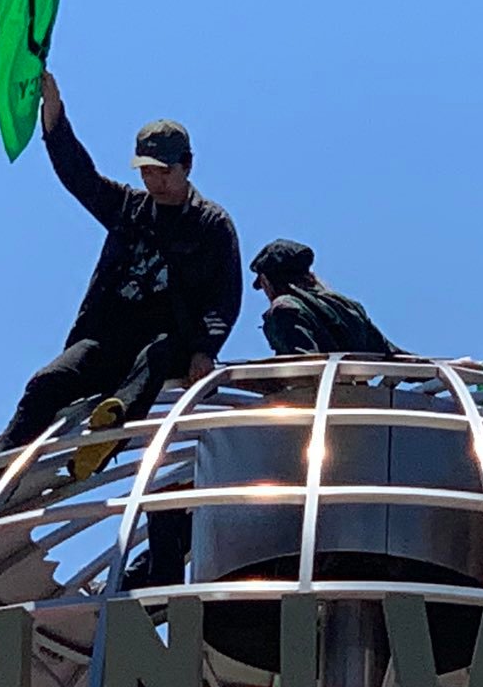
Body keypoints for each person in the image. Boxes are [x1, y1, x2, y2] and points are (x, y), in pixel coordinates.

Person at [0, 72, 242, 503]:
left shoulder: (211, 224)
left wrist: (204, 348)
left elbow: (225, 295)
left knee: (155, 356)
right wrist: (54, 115)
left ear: (187, 165)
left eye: (163, 172)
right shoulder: (129, 208)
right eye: (146, 172)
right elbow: (80, 177)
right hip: (108, 337)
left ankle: (106, 438)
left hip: (165, 342)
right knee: (47, 382)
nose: (153, 182)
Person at [123, 239, 406, 590]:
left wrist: (237, 379)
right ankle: (139, 588)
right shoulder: (349, 309)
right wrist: (451, 368)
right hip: (358, 447)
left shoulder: (283, 310)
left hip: (302, 446)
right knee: (186, 507)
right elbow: (394, 358)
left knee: (171, 507)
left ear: (269, 282)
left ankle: (145, 593)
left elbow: (307, 372)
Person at [248, 239, 403, 357]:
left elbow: (304, 367)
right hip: (357, 396)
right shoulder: (347, 306)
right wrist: (424, 372)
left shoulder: (283, 309)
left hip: (315, 397)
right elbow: (390, 353)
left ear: (267, 282)